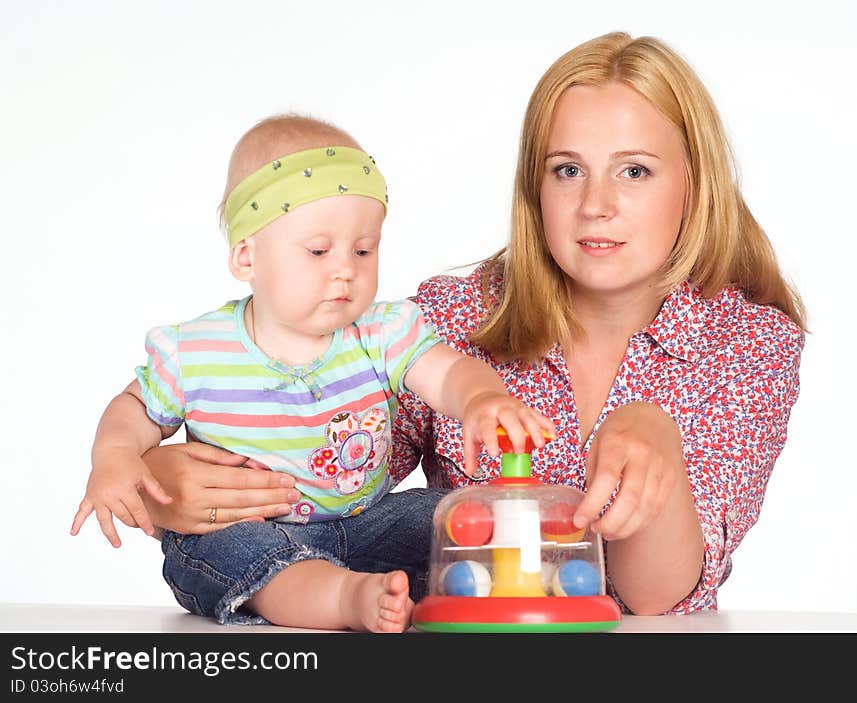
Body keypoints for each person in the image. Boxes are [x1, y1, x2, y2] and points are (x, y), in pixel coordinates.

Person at [137, 32, 806, 617]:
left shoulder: (751, 345)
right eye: (567, 170)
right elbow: (330, 476)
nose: (596, 205)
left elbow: (658, 599)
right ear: (534, 187)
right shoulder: (452, 317)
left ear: (695, 182)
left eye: (634, 170)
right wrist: (191, 483)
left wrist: (652, 436)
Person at [70, 114, 555, 632]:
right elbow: (136, 409)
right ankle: (347, 599)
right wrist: (115, 455)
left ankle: (449, 589)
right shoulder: (195, 349)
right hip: (249, 532)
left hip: (364, 525)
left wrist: (481, 399)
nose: (345, 268)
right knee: (234, 550)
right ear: (246, 257)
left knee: (440, 515)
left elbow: (446, 373)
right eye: (319, 251)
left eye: (363, 250)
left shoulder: (381, 333)